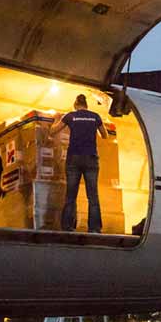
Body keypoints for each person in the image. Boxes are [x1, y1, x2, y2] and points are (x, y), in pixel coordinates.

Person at [50, 94, 108, 233]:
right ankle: (94, 228)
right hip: (91, 159)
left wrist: (56, 119)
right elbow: (105, 135)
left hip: (74, 159)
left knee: (71, 195)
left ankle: (67, 227)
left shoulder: (70, 116)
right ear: (86, 105)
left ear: (75, 105)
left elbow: (53, 131)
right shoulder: (95, 116)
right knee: (92, 196)